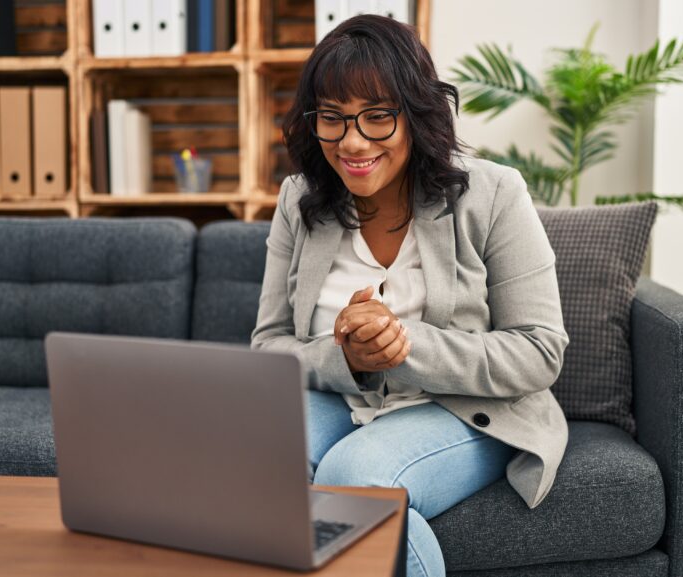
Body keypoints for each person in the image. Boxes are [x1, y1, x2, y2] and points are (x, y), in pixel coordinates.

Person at [250, 14, 570, 577]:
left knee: (353, 479)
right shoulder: (298, 200)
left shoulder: (493, 194)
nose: (352, 142)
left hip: (468, 411)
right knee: (252, 453)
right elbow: (268, 349)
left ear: (417, 115)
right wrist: (344, 357)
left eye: (377, 117)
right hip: (343, 401)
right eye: (332, 119)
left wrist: (405, 346)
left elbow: (540, 350)